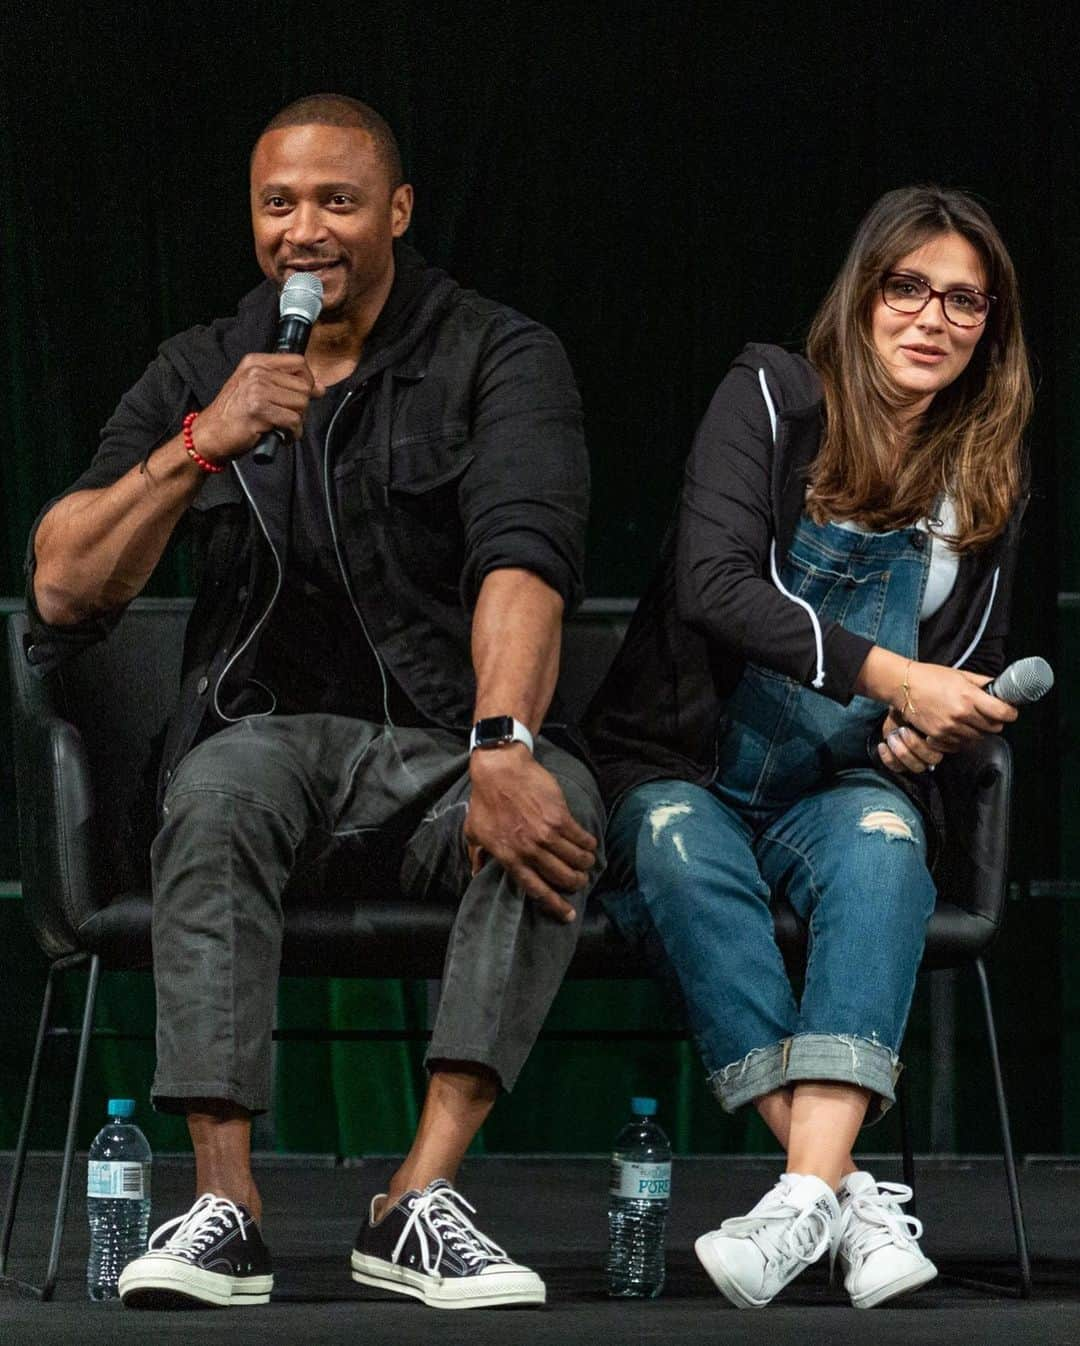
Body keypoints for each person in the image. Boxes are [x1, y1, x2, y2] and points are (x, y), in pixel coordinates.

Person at [27, 93, 603, 1311]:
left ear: (395, 210)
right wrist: (199, 445)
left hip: (440, 750)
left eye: (336, 201)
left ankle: (418, 1199)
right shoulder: (202, 366)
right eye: (278, 204)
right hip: (263, 743)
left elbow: (524, 561)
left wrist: (504, 743)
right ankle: (224, 1209)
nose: (305, 230)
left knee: (555, 806)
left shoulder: (497, 354)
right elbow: (63, 581)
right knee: (221, 786)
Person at [586, 185, 1032, 1309]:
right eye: (908, 287)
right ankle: (840, 1189)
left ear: (992, 327)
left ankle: (801, 1193)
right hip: (683, 762)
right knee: (684, 853)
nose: (933, 318)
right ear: (865, 293)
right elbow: (719, 585)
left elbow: (964, 650)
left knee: (887, 847)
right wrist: (901, 679)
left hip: (836, 780)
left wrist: (929, 724)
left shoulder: (985, 473)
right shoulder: (775, 396)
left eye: (965, 301)